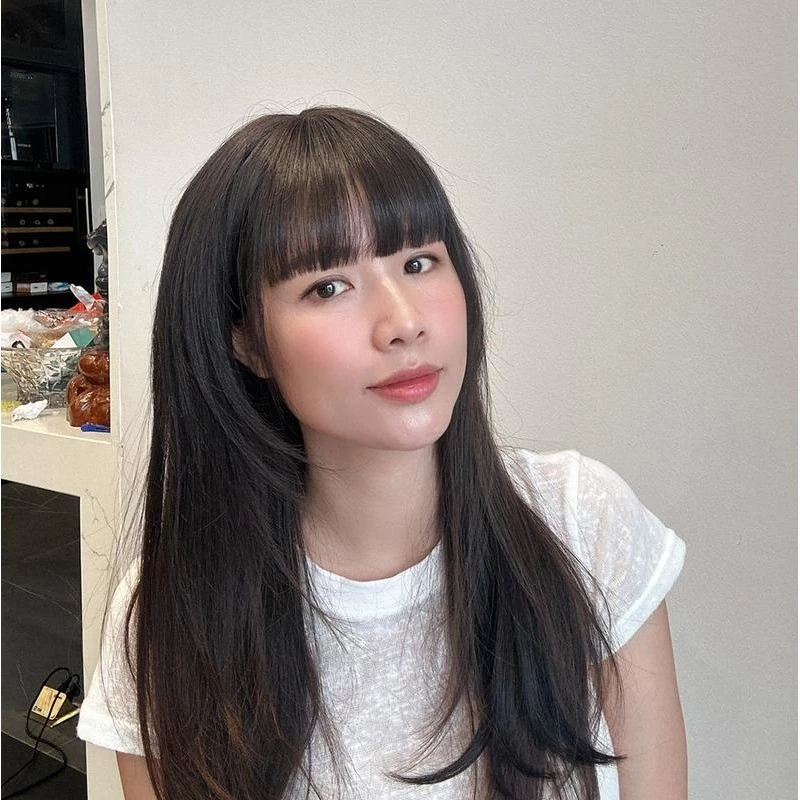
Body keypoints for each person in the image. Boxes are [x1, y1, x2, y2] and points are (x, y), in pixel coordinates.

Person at [77, 106, 687, 800]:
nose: (403, 322)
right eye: (327, 286)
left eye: (419, 262)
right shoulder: (170, 615)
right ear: (244, 342)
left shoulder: (582, 524)